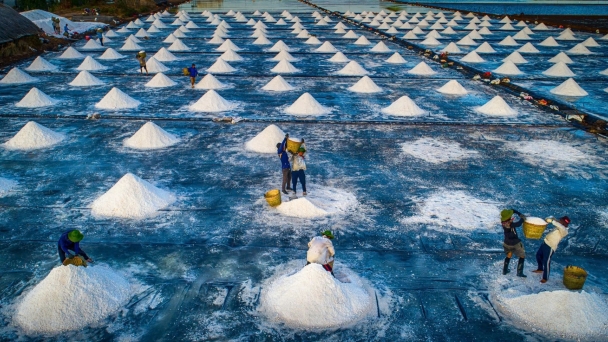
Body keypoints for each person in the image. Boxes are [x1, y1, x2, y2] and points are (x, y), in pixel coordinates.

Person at [533, 216, 570, 283]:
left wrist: (552, 221)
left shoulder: (564, 230)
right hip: (545, 243)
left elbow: (560, 226)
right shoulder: (560, 225)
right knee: (538, 255)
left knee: (546, 261)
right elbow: (557, 223)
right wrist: (552, 218)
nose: (559, 221)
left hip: (550, 246)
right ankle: (540, 269)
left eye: (561, 220)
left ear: (564, 223)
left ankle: (545, 278)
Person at [500, 209, 527, 277]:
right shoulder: (508, 224)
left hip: (506, 243)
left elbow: (512, 210)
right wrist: (522, 218)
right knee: (522, 255)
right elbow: (518, 224)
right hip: (514, 243)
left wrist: (519, 213)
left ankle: (505, 270)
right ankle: (519, 272)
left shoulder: (503, 222)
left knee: (509, 254)